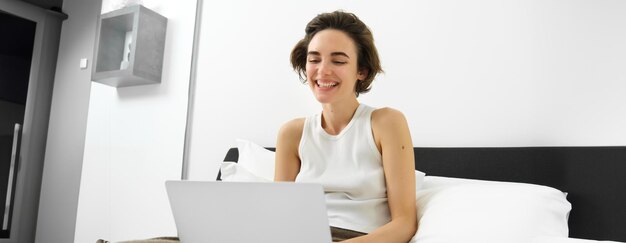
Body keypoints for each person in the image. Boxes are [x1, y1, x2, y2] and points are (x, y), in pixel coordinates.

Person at [274, 10, 417, 243]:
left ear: (362, 71)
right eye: (314, 59)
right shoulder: (292, 133)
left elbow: (404, 224)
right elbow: (279, 217)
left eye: (338, 61)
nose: (323, 70)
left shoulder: (386, 123)